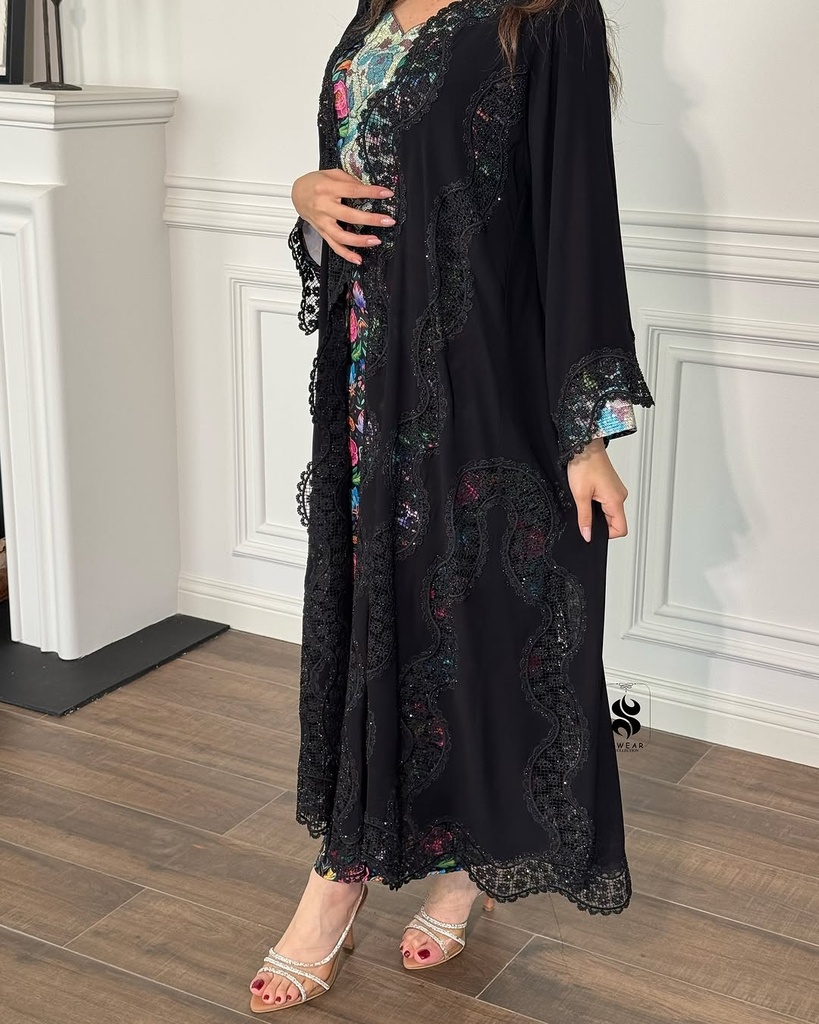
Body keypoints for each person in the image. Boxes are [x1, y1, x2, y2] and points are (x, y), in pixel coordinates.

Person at [248, 0, 655, 1012]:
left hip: (483, 386)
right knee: (383, 623)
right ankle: (372, 862)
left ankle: (378, 878)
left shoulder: (546, 15)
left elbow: (576, 220)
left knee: (480, 625)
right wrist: (305, 192)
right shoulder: (375, 11)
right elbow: (363, 177)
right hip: (366, 391)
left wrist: (585, 436)